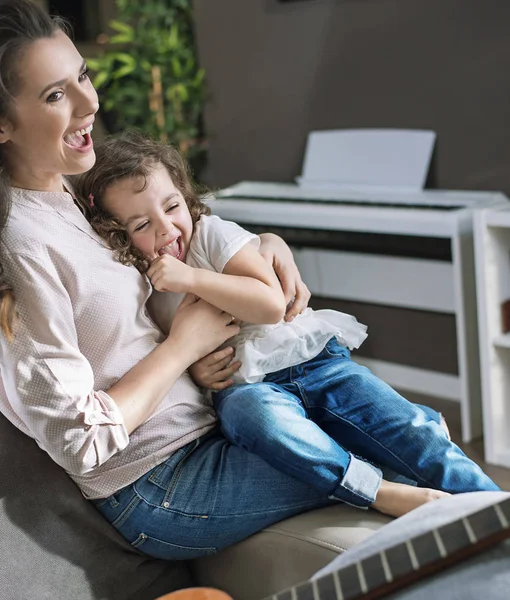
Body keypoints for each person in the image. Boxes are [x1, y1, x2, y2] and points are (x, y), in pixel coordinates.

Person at [0, 0, 459, 564]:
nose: (90, 102)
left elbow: (167, 251)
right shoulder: (20, 246)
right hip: (160, 484)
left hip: (213, 417)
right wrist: (181, 349)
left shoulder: (73, 189)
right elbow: (80, 441)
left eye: (83, 77)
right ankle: (403, 501)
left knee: (400, 425)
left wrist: (260, 246)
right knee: (392, 445)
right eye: (54, 95)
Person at [75, 130, 500, 520]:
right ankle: (370, 483)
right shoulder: (142, 288)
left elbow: (270, 305)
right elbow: (176, 347)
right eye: (142, 225)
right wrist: (196, 371)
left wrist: (192, 278)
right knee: (254, 421)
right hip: (246, 388)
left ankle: (495, 512)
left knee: (409, 432)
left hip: (310, 362)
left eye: (171, 207)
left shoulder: (210, 236)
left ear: (185, 197)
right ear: (119, 235)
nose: (166, 229)